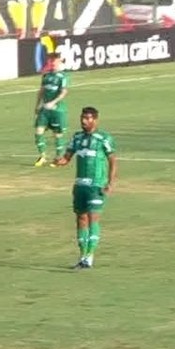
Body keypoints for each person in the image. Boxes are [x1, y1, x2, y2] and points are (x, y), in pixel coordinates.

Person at [54, 107, 118, 269]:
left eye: (88, 118)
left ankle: (89, 257)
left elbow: (112, 161)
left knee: (93, 218)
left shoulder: (104, 138)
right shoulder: (76, 138)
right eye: (83, 118)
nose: (84, 121)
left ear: (95, 120)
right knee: (81, 219)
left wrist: (110, 182)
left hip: (96, 184)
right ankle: (83, 255)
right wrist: (58, 161)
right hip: (79, 185)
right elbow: (67, 158)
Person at [33, 56, 70, 167]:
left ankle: (58, 158)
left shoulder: (62, 77)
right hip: (44, 109)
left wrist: (53, 102)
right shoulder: (46, 76)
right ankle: (42, 156)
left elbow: (64, 92)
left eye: (55, 62)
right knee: (38, 131)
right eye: (51, 62)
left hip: (57, 110)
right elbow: (41, 91)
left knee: (57, 135)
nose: (53, 64)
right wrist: (37, 106)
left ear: (59, 63)